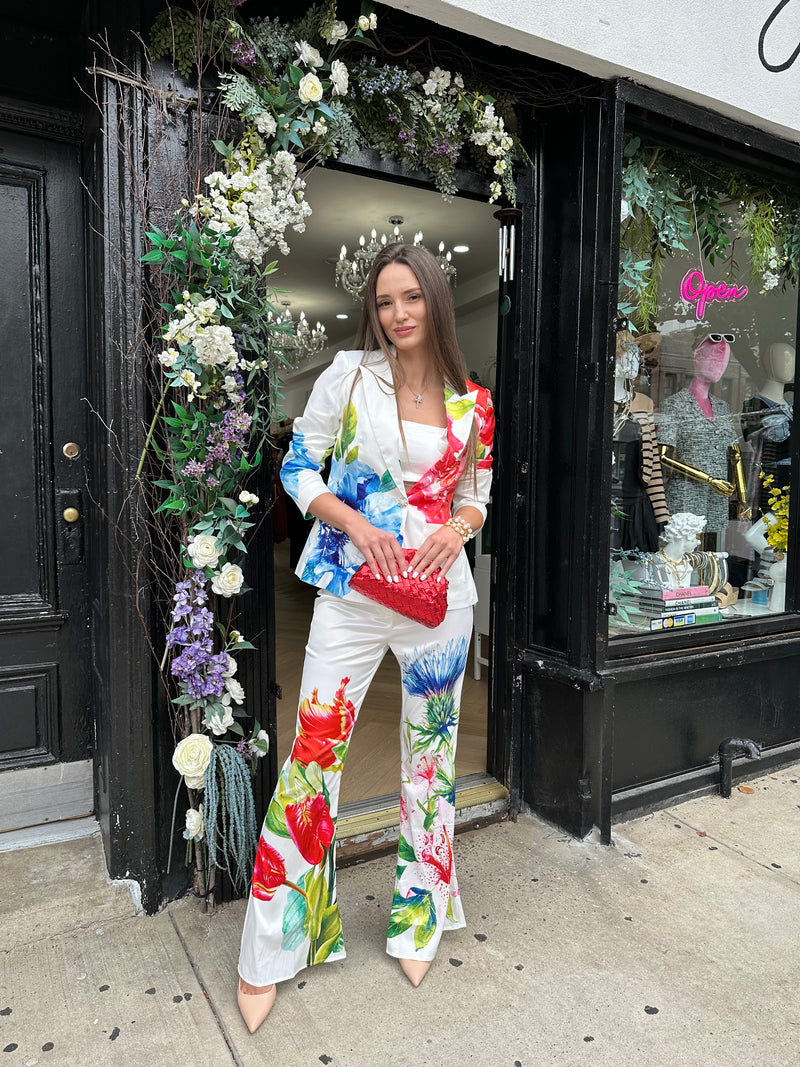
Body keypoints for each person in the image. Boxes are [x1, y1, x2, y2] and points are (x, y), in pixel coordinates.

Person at [236, 243, 495, 1032]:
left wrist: (459, 526)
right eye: (384, 301)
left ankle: (420, 914)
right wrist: (350, 520)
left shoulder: (471, 403)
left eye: (411, 297)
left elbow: (478, 494)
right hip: (352, 593)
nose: (397, 314)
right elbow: (297, 468)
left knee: (430, 759)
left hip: (440, 601)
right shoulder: (348, 375)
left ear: (436, 302)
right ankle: (277, 943)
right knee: (313, 754)